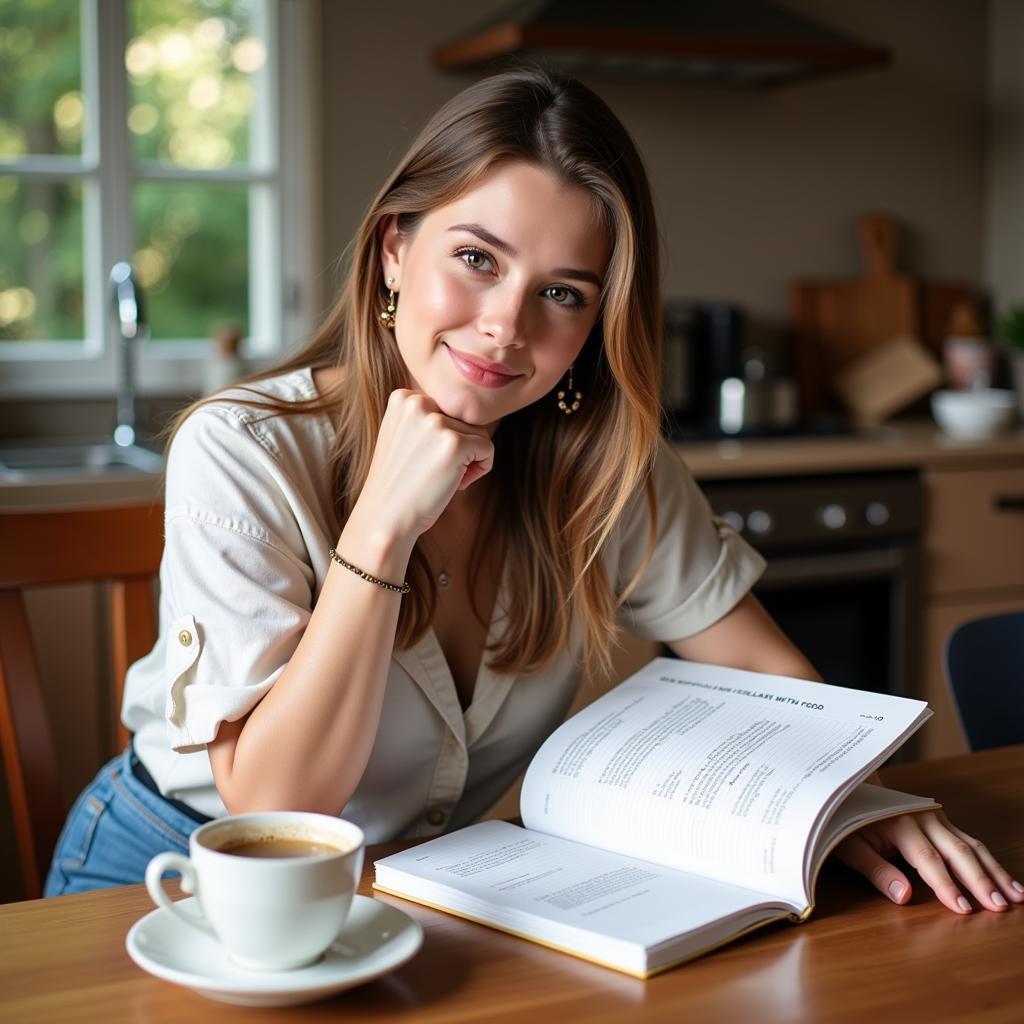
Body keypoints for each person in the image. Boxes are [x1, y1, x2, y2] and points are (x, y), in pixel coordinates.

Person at [45, 67, 1022, 918]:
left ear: (595, 321)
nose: (504, 327)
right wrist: (381, 524)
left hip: (435, 884)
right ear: (395, 251)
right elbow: (277, 808)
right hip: (178, 875)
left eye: (561, 292)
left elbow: (775, 680)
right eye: (476, 258)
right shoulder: (244, 448)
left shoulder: (600, 457)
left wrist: (846, 801)